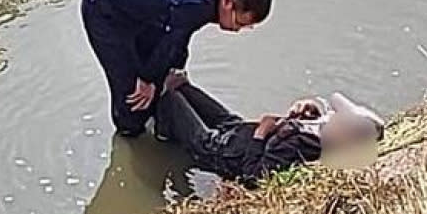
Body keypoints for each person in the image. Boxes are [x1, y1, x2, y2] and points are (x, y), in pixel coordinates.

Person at [80, 0, 272, 137]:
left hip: (139, 4)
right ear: (228, 3)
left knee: (160, 74)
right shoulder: (197, 3)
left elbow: (179, 38)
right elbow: (170, 42)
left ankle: (160, 121)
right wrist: (148, 81)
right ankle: (130, 134)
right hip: (105, 6)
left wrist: (173, 71)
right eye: (238, 23)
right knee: (132, 94)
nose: (237, 30)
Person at [155, 71, 385, 186]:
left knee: (171, 97)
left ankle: (161, 124)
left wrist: (260, 134)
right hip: (237, 129)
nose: (331, 116)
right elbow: (323, 109)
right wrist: (310, 107)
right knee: (183, 86)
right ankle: (173, 100)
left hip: (220, 152)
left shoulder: (298, 147)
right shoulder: (326, 129)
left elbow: (253, 177)